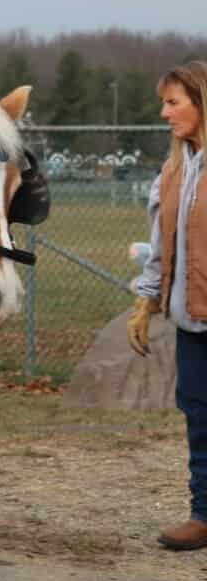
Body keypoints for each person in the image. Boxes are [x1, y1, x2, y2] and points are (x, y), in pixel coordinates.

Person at [129, 60, 207, 551]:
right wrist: (146, 302)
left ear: (201, 103)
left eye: (173, 102)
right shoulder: (174, 172)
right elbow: (160, 249)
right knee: (198, 414)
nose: (164, 113)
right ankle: (204, 514)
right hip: (191, 322)